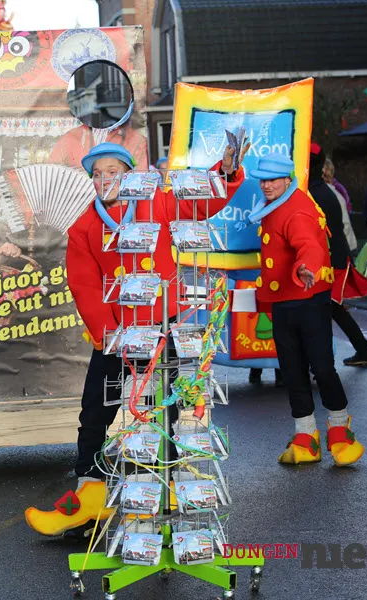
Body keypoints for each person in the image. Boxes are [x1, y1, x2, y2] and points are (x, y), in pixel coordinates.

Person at [24, 140, 248, 537]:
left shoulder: (156, 202)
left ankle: (168, 490)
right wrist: (107, 334)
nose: (105, 180)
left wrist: (226, 172)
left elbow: (199, 204)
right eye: (97, 174)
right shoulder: (84, 226)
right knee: (95, 410)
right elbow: (84, 285)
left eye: (113, 172)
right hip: (116, 335)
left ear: (129, 176)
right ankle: (89, 495)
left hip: (164, 327)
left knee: (167, 410)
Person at [248, 152, 364, 467]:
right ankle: (305, 436)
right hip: (283, 300)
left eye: (273, 179)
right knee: (292, 370)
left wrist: (305, 267)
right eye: (263, 180)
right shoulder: (275, 205)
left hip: (308, 297)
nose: (266, 185)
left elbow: (309, 245)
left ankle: (340, 431)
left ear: (287, 179)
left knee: (322, 367)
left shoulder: (296, 208)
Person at [308, 151, 367, 367]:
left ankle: (323, 363)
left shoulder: (311, 193)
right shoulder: (326, 191)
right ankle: (362, 351)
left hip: (327, 261)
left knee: (325, 308)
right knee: (332, 308)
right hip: (335, 257)